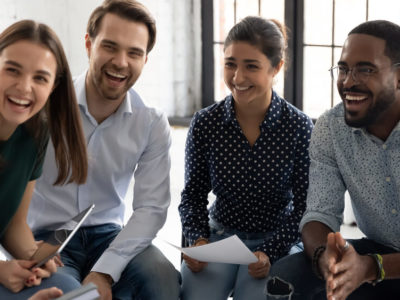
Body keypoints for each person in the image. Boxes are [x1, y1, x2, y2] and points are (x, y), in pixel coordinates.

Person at [27, 1, 181, 299]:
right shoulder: (44, 108)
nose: (121, 62)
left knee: (162, 278)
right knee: (72, 295)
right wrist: (24, 250)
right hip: (49, 239)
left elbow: (151, 209)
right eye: (110, 46)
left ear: (145, 59)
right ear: (89, 44)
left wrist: (105, 270)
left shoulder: (150, 121)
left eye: (134, 52)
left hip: (112, 235)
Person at [179, 16, 314, 300]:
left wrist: (270, 251)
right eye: (230, 64)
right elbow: (192, 195)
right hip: (219, 238)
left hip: (276, 239)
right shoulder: (205, 123)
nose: (238, 78)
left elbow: (305, 208)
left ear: (276, 67)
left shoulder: (299, 127)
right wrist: (198, 241)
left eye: (251, 66)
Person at [265, 20, 400, 300]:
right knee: (287, 276)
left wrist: (372, 267)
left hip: (379, 263)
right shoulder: (331, 128)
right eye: (343, 69)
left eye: (366, 69)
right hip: (377, 250)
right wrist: (325, 257)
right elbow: (319, 213)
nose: (349, 82)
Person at [0, 20, 88, 298]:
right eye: (12, 70)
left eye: (40, 77)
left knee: (70, 291)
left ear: (54, 85)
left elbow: (14, 224)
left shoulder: (35, 136)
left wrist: (36, 258)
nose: (24, 87)